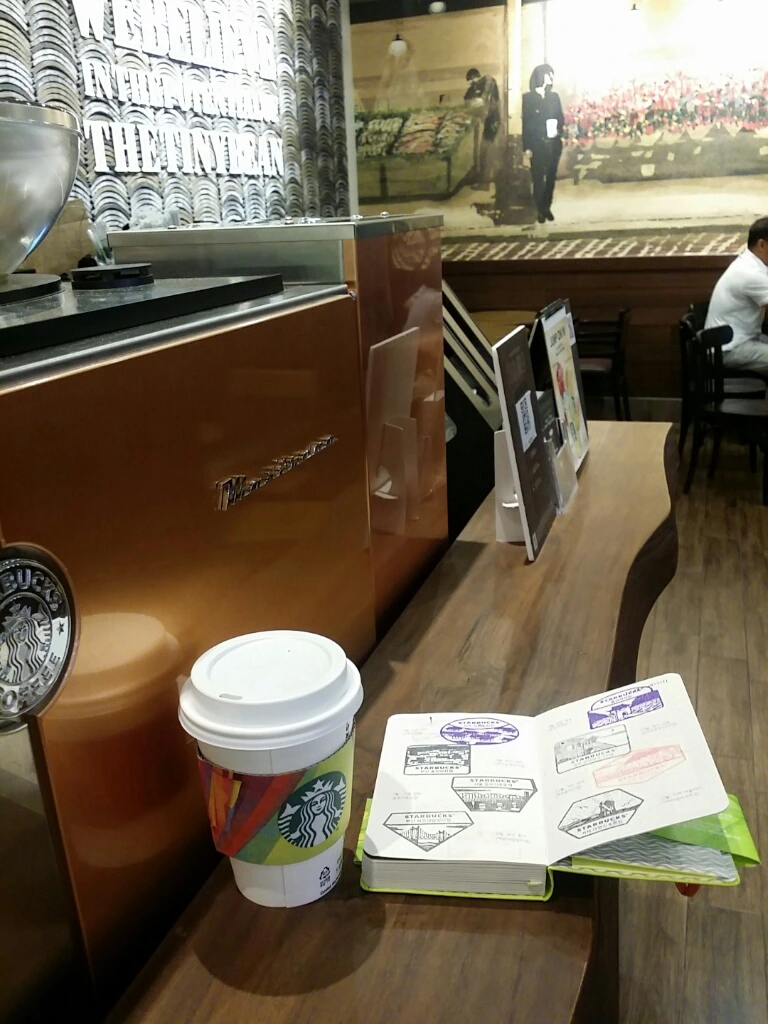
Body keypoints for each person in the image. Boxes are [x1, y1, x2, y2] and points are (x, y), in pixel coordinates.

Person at [705, 217, 768, 377]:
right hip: (728, 349)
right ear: (762, 244)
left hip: (742, 340)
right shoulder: (751, 273)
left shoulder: (750, 263)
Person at [522, 64, 564, 224]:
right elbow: (526, 124)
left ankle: (547, 207)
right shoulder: (528, 99)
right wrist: (527, 147)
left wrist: (557, 129)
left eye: (552, 75)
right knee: (538, 178)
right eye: (548, 74)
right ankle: (540, 209)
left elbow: (560, 117)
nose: (551, 78)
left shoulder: (554, 97)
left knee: (551, 178)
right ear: (540, 76)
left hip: (553, 144)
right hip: (536, 144)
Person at [464, 67, 501, 191]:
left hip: (491, 122)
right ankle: (484, 180)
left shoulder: (488, 83)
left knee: (485, 152)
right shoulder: (483, 85)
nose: (471, 84)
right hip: (489, 122)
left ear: (474, 77)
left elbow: (487, 104)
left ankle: (484, 182)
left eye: (471, 81)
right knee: (484, 152)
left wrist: (478, 104)